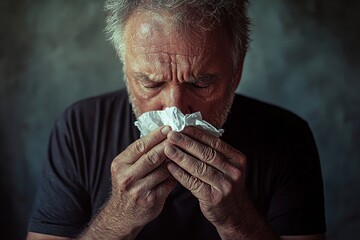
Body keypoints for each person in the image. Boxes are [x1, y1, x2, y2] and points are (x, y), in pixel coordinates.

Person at [27, 0, 326, 239]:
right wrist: (118, 220)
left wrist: (236, 219)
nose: (175, 108)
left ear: (237, 71)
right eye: (151, 83)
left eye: (200, 84)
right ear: (126, 70)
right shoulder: (79, 129)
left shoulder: (288, 137)